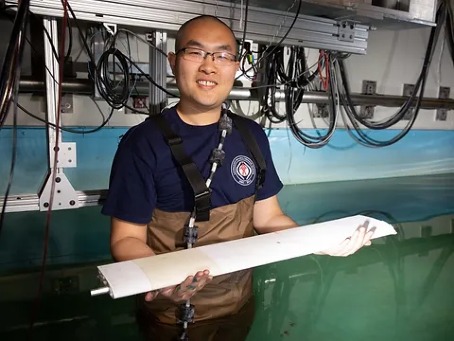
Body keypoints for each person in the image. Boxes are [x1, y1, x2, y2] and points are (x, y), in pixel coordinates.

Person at [101, 15, 374, 340]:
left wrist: (321, 243)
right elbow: (126, 239)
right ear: (174, 62)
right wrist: (163, 280)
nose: (209, 66)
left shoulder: (251, 135)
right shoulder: (143, 143)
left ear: (236, 65)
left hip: (238, 304)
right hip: (171, 315)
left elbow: (269, 217)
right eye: (196, 53)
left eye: (223, 55)